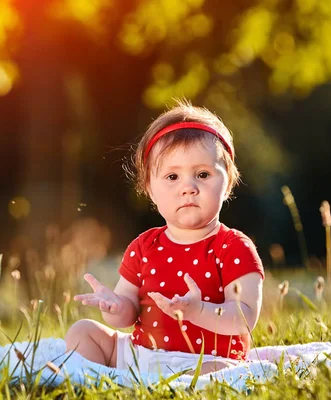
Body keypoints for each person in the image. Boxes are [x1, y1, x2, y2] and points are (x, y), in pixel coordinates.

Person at [65, 99, 264, 375]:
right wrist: (113, 306)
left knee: (221, 373)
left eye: (203, 174)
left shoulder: (234, 247)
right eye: (172, 177)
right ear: (149, 188)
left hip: (204, 360)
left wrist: (199, 311)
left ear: (228, 182)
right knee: (83, 332)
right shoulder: (144, 246)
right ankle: (92, 381)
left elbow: (244, 317)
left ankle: (174, 384)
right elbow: (127, 315)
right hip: (140, 356)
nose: (188, 188)